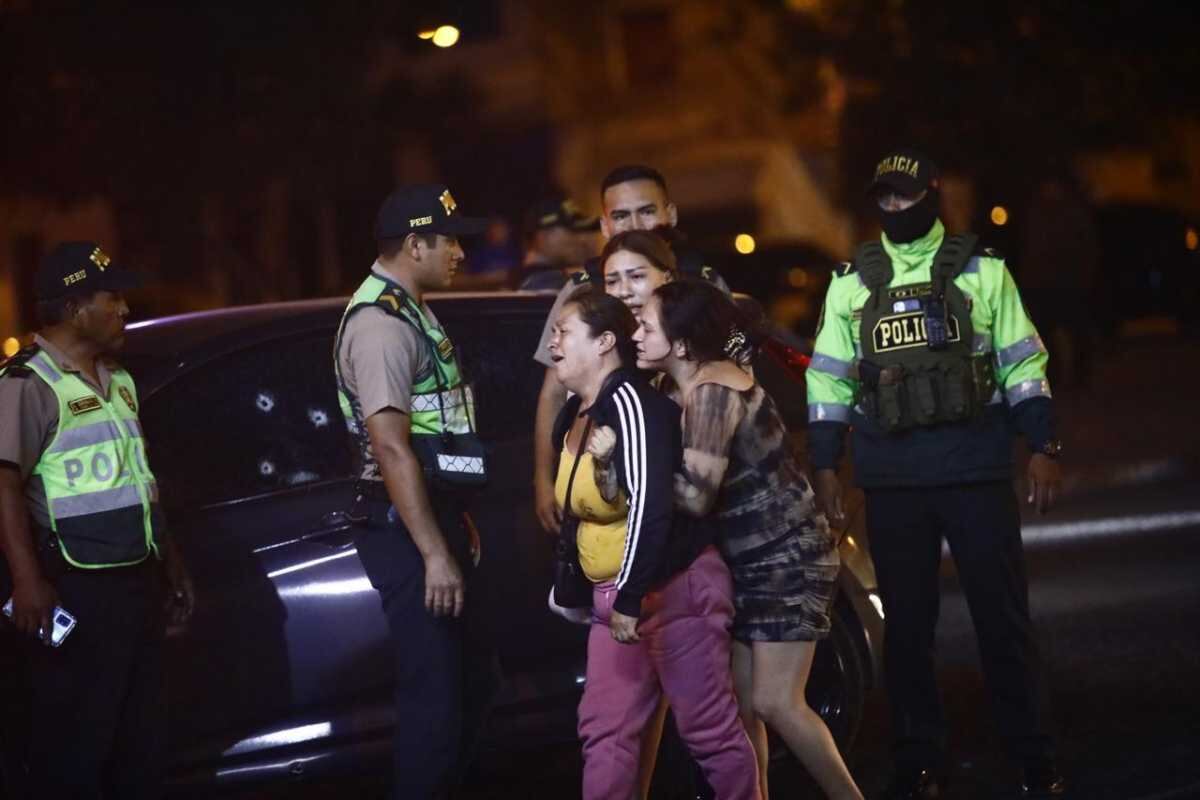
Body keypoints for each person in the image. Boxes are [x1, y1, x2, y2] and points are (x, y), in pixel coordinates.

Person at [806, 149, 1065, 799]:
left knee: (1003, 621)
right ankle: (918, 761)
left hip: (975, 469)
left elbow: (1022, 363)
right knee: (908, 632)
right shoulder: (851, 281)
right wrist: (825, 466)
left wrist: (1042, 444)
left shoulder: (983, 271)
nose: (895, 208)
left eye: (906, 197)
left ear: (931, 194)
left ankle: (1033, 755)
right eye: (885, 199)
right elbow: (828, 380)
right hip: (892, 481)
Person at [628, 277, 863, 800]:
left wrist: (629, 471)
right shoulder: (686, 384)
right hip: (751, 561)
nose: (635, 334)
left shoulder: (713, 391)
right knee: (738, 704)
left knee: (777, 701)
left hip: (787, 557)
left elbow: (694, 495)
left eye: (646, 326)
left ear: (683, 343)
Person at [547, 288, 760, 800]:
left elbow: (651, 504)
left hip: (670, 590)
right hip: (618, 597)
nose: (552, 341)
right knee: (605, 731)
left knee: (708, 733)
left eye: (563, 331)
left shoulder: (630, 404)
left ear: (603, 343)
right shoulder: (577, 409)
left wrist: (629, 594)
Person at [0, 241, 194, 799]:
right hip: (75, 589)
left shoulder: (120, 380)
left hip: (136, 580)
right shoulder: (25, 383)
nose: (125, 310)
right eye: (114, 299)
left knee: (143, 745)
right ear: (74, 308)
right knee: (78, 750)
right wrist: (27, 581)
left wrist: (172, 565)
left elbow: (141, 480)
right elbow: (5, 485)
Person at [333, 185, 495, 798]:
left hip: (433, 514)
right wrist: (433, 551)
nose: (459, 251)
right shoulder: (379, 326)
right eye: (450, 239)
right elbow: (392, 446)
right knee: (437, 699)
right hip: (405, 529)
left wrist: (455, 519)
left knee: (474, 681)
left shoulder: (411, 308)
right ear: (414, 243)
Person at [533, 164, 726, 537]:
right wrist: (544, 479)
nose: (634, 224)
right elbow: (554, 392)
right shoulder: (582, 292)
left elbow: (733, 384)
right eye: (621, 216)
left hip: (691, 486)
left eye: (647, 211)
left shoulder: (704, 287)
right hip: (608, 485)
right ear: (605, 226)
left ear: (669, 214)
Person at [516, 196, 600, 291]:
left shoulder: (558, 275)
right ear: (544, 237)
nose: (581, 239)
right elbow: (568, 280)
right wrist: (595, 275)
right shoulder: (539, 280)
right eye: (572, 231)